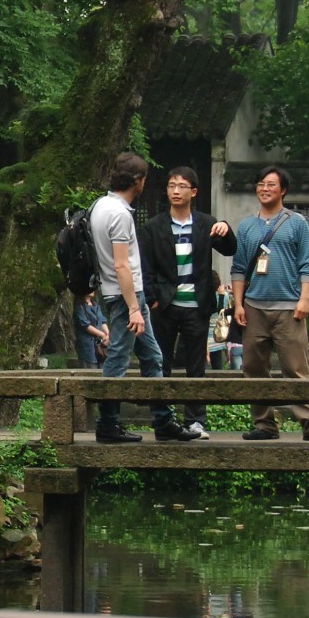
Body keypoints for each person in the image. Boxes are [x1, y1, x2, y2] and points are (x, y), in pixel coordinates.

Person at [230, 164, 309, 442]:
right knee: (254, 369)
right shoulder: (247, 226)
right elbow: (239, 268)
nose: (264, 189)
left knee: (297, 368)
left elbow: (307, 264)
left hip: (289, 307)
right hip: (254, 307)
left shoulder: (296, 223)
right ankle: (264, 424)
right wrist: (238, 304)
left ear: (283, 190)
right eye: (261, 184)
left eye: (271, 185)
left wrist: (305, 299)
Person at [90, 153, 185, 443]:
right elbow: (122, 265)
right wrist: (134, 308)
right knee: (119, 358)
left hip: (120, 293)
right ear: (138, 181)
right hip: (125, 295)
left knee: (153, 356)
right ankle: (107, 424)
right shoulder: (119, 214)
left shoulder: (100, 206)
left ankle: (163, 421)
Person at [137, 165, 237, 437]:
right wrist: (153, 299)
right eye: (172, 186)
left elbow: (230, 249)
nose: (176, 191)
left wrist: (225, 229)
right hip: (165, 306)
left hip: (197, 305)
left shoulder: (205, 223)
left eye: (182, 186)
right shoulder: (153, 227)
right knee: (161, 363)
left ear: (193, 192)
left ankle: (196, 421)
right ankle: (163, 420)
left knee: (196, 366)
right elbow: (145, 268)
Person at [74, 294, 108, 368]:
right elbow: (86, 325)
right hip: (88, 347)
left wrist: (107, 334)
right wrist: (102, 335)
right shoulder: (79, 307)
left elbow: (102, 321)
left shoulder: (96, 306)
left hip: (101, 345)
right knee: (90, 368)